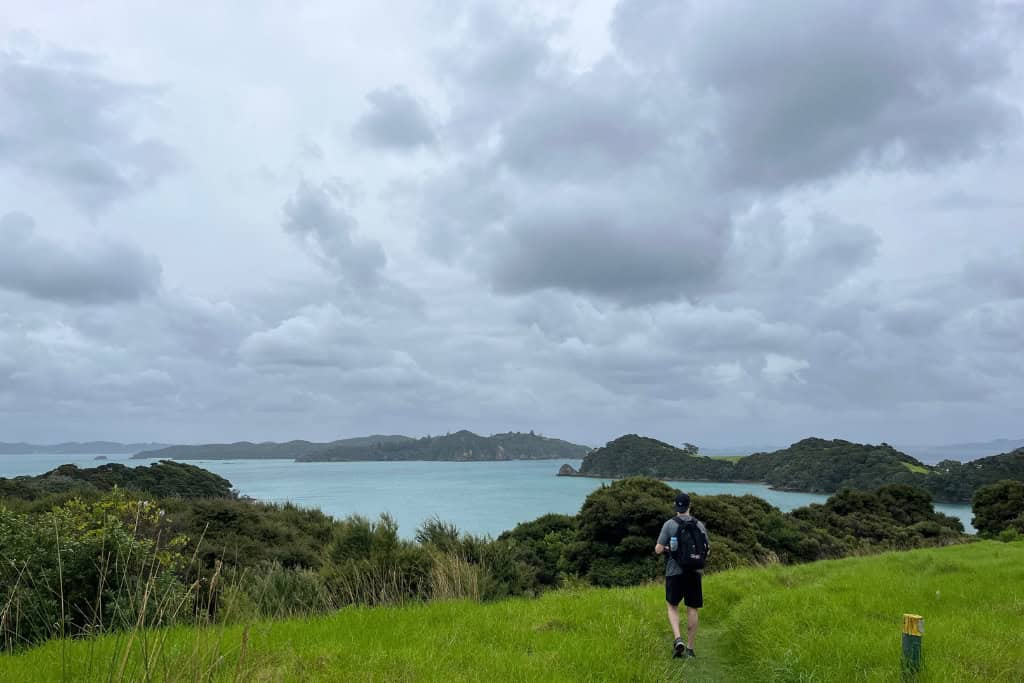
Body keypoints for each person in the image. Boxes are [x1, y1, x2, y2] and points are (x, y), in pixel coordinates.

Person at [655, 491, 710, 659]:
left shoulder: (669, 524)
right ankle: (690, 648)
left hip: (674, 571)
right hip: (694, 572)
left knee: (672, 606)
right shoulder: (699, 525)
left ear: (676, 506)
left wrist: (667, 549)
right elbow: (707, 550)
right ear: (689, 506)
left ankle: (678, 638)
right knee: (692, 608)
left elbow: (657, 549)